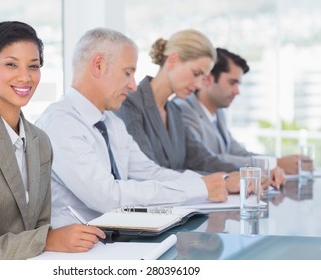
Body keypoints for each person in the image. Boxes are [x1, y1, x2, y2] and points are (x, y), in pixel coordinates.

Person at [0, 21, 104, 260]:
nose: (25, 77)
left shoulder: (40, 142)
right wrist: (47, 239)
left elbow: (38, 226)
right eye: (11, 65)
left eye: (33, 66)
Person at [35, 27, 231, 228]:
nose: (133, 86)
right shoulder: (61, 124)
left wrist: (205, 184)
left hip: (116, 241)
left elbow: (150, 172)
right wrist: (197, 188)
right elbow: (108, 197)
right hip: (79, 252)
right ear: (98, 65)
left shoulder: (112, 123)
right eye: (127, 73)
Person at [115, 29, 240, 186]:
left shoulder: (175, 112)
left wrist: (249, 174)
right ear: (173, 60)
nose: (199, 84)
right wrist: (222, 181)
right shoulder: (130, 105)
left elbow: (202, 159)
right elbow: (148, 173)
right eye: (196, 73)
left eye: (203, 77)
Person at [174, 48, 297, 178]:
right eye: (232, 83)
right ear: (208, 79)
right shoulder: (183, 110)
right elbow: (208, 160)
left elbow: (236, 151)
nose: (237, 91)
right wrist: (273, 163)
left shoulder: (219, 112)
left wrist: (273, 161)